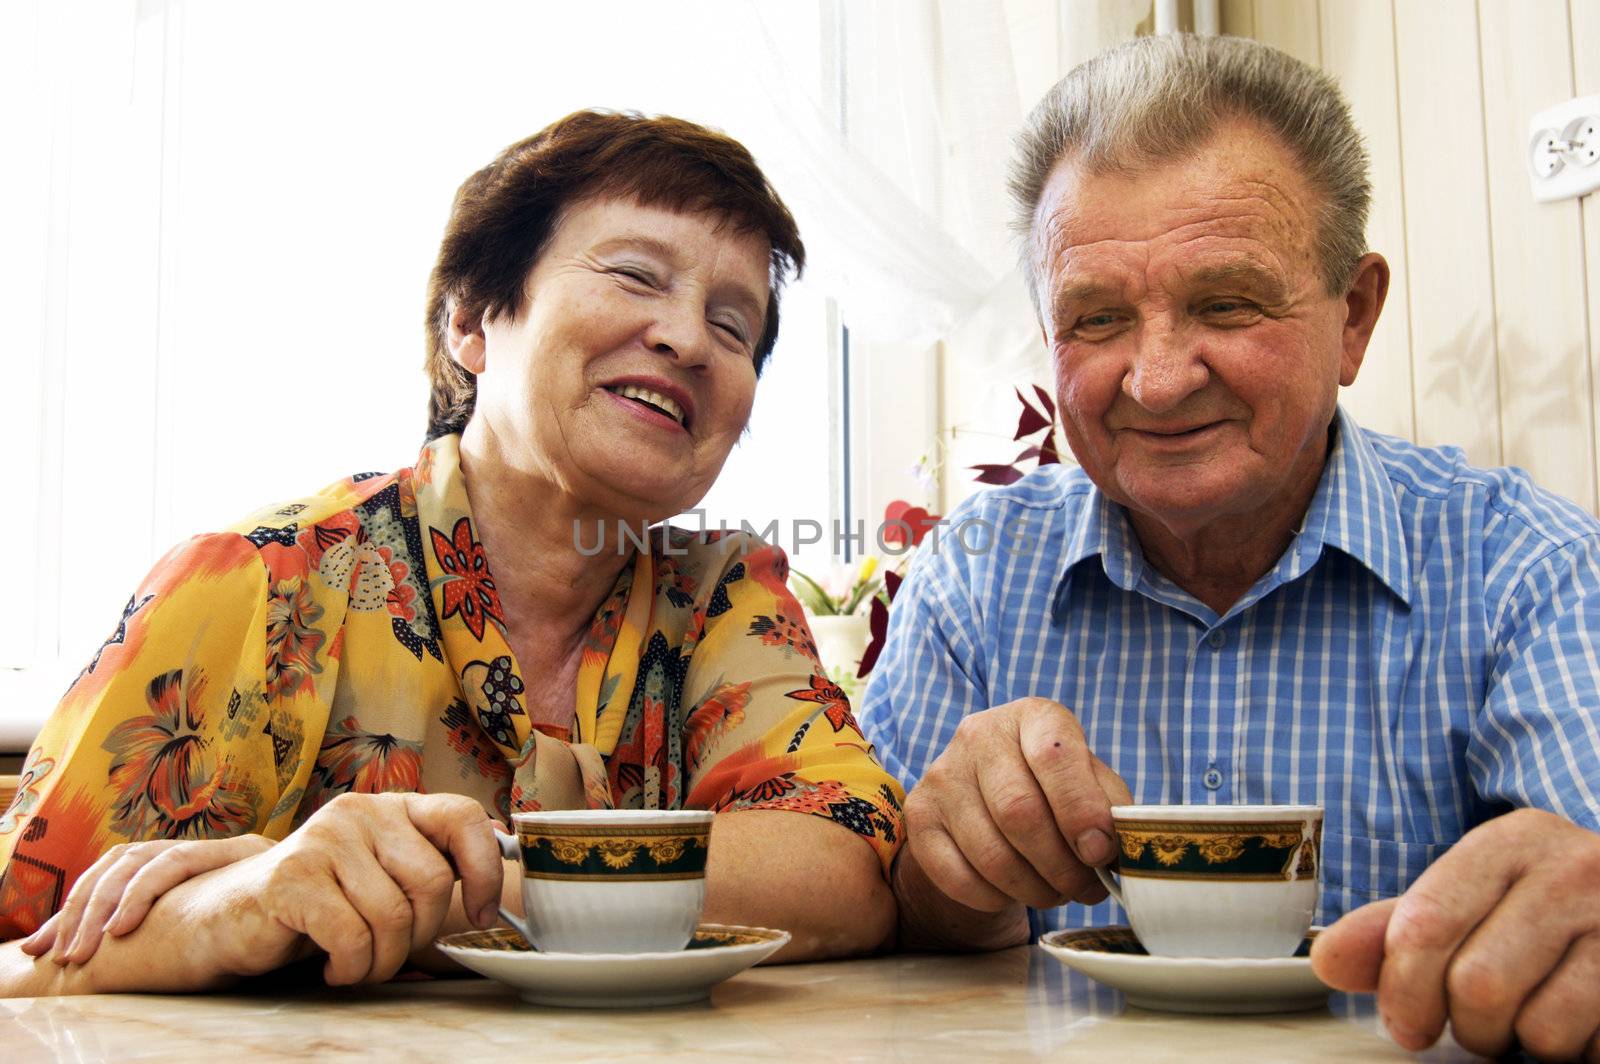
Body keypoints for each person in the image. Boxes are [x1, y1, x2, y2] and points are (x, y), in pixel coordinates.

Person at [0, 109, 903, 996]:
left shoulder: (724, 595)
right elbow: (17, 962)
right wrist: (245, 901)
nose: (689, 338)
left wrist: (437, 893)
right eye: (635, 275)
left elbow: (849, 862)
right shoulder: (253, 582)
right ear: (472, 321)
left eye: (735, 325)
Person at [859, 33, 1600, 1062]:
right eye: (1097, 317)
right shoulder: (974, 575)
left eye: (1225, 302)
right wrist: (945, 874)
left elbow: (1586, 871)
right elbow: (879, 915)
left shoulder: (1520, 564)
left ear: (1353, 315)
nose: (1155, 379)